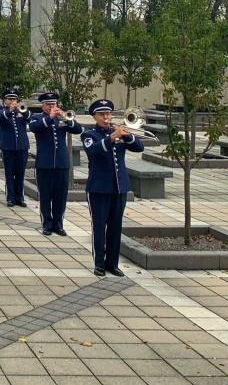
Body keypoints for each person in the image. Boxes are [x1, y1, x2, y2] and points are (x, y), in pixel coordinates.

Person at [82, 99, 143, 277]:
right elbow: (93, 152)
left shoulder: (119, 133)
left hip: (119, 187)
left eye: (109, 114)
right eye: (103, 115)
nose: (107, 117)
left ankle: (113, 264)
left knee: (116, 227)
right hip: (99, 188)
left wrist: (128, 135)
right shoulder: (89, 135)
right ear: (95, 116)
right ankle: (99, 264)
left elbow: (139, 147)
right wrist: (112, 137)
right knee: (100, 227)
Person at [29, 92, 83, 236]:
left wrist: (66, 119)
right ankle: (47, 224)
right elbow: (35, 128)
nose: (52, 106)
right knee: (45, 196)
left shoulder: (62, 118)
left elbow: (78, 129)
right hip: (44, 164)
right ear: (43, 106)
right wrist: (50, 117)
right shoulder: (37, 118)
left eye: (54, 104)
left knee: (60, 196)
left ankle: (58, 224)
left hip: (62, 163)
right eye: (49, 104)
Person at [0, 89, 30, 208]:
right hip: (8, 147)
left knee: (20, 173)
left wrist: (23, 111)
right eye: (10, 99)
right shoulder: (1, 112)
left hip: (22, 147)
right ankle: (10, 198)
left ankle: (19, 198)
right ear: (5, 101)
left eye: (14, 99)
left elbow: (30, 119)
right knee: (9, 173)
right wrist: (10, 111)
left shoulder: (21, 111)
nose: (12, 101)